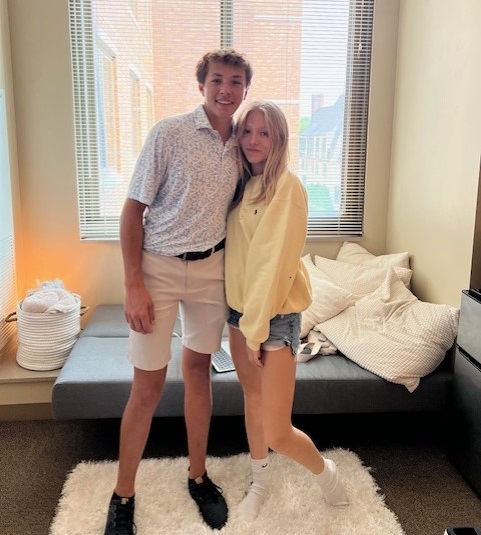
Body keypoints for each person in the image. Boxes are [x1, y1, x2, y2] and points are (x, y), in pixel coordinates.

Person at [103, 49, 253, 535]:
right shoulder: (169, 133)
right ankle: (123, 495)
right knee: (146, 387)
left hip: (212, 271)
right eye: (216, 80)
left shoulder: (245, 145)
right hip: (159, 270)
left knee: (199, 375)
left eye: (235, 82)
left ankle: (198, 475)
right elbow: (132, 211)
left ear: (245, 90)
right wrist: (133, 284)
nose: (225, 89)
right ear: (201, 85)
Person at [225, 100, 349, 523]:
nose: (254, 140)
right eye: (247, 131)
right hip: (238, 313)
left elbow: (272, 265)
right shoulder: (241, 185)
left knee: (277, 431)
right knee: (251, 398)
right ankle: (259, 483)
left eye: (265, 132)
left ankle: (326, 473)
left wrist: (256, 332)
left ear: (279, 140)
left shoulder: (287, 187)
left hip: (271, 319)